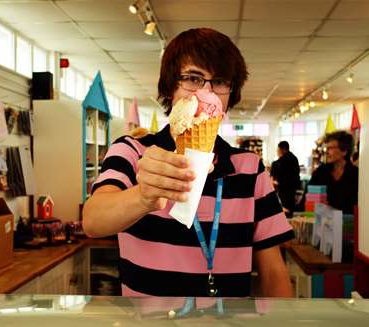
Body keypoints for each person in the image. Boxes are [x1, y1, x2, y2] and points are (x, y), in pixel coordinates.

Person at [83, 28, 294, 297]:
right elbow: (92, 220)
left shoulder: (250, 169)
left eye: (219, 81)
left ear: (230, 94)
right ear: (170, 87)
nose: (206, 92)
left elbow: (274, 272)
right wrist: (143, 197)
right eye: (193, 78)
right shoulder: (132, 151)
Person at [308, 131, 358, 214]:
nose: (326, 152)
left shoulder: (356, 175)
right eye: (326, 148)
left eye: (330, 148)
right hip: (323, 224)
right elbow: (308, 198)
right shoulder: (320, 172)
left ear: (344, 151)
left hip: (350, 225)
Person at [270, 141, 301, 218]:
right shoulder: (294, 158)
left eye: (278, 150)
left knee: (284, 209)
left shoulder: (279, 162)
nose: (278, 152)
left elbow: (274, 178)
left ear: (282, 149)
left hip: (283, 189)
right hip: (293, 188)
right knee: (291, 208)